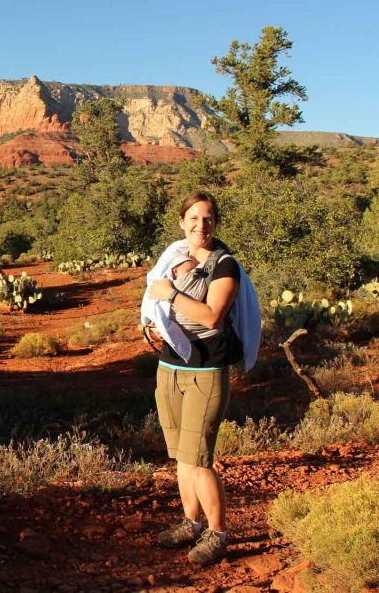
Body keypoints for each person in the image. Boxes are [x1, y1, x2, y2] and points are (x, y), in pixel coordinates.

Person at [144, 191, 240, 566]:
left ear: (216, 223)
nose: (202, 225)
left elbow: (212, 316)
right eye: (194, 218)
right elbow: (152, 295)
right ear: (182, 222)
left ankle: (218, 532)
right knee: (181, 457)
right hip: (170, 369)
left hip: (206, 372)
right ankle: (191, 523)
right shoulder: (173, 255)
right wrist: (152, 323)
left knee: (199, 457)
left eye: (209, 218)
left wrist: (168, 296)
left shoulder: (225, 265)